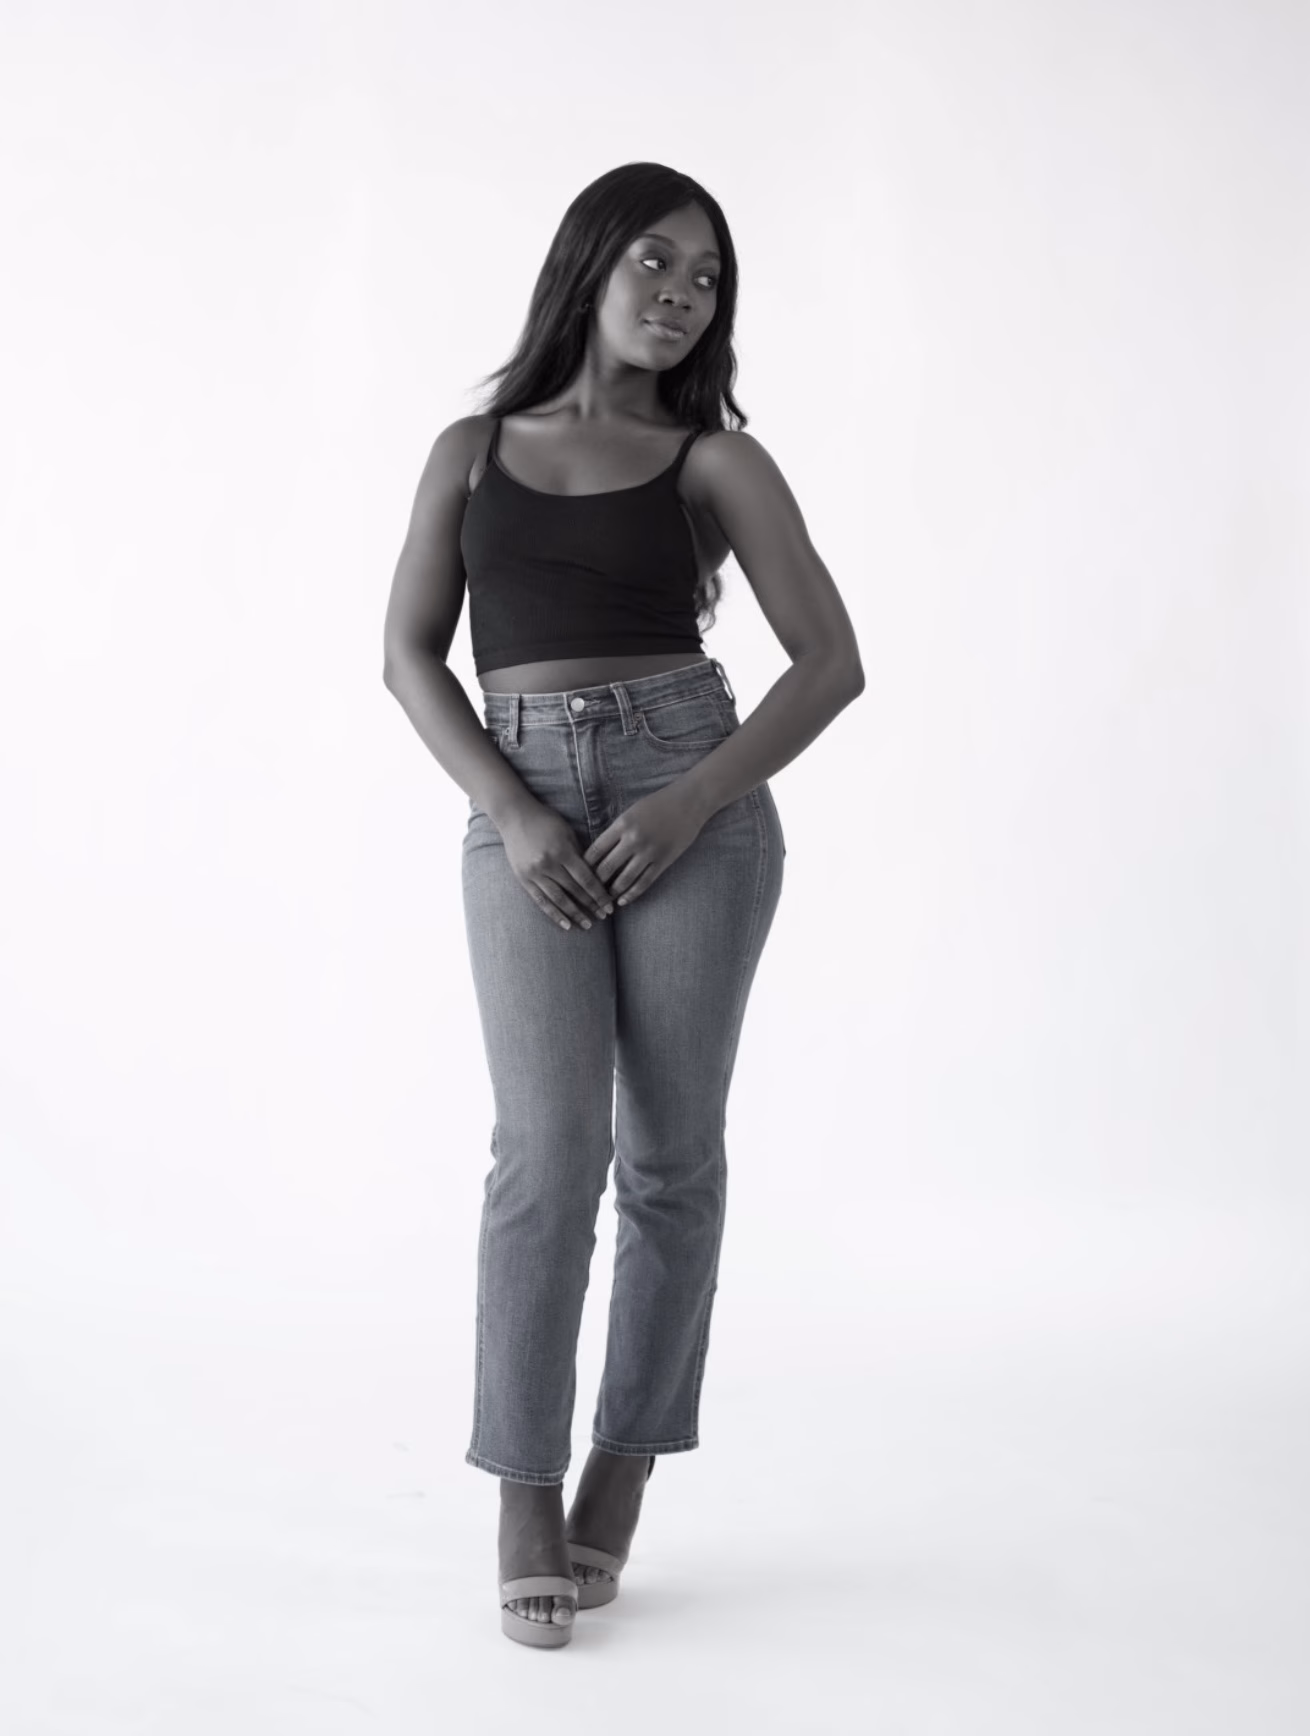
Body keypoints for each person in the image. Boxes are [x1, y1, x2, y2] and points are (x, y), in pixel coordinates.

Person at [382, 162, 865, 1648]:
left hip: (686, 799)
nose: (681, 294)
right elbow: (409, 656)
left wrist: (692, 798)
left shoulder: (716, 463)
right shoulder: (472, 451)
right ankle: (523, 1486)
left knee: (668, 1158)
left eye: (707, 278)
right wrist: (514, 809)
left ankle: (625, 1463)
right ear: (587, 264)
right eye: (656, 261)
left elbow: (832, 662)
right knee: (545, 1153)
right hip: (520, 797)